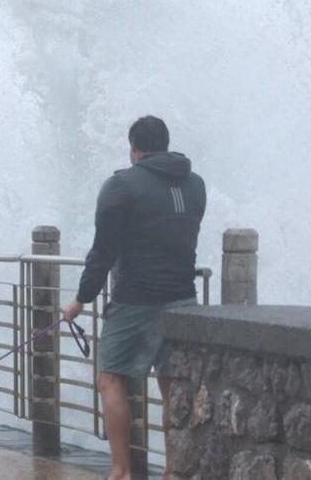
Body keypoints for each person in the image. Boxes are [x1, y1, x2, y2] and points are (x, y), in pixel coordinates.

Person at [61, 116, 206, 480]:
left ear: (134, 150)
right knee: (171, 386)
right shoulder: (196, 185)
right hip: (184, 299)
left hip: (135, 300)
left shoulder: (121, 186)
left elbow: (103, 253)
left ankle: (121, 471)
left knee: (111, 379)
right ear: (167, 145)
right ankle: (173, 471)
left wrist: (80, 300)